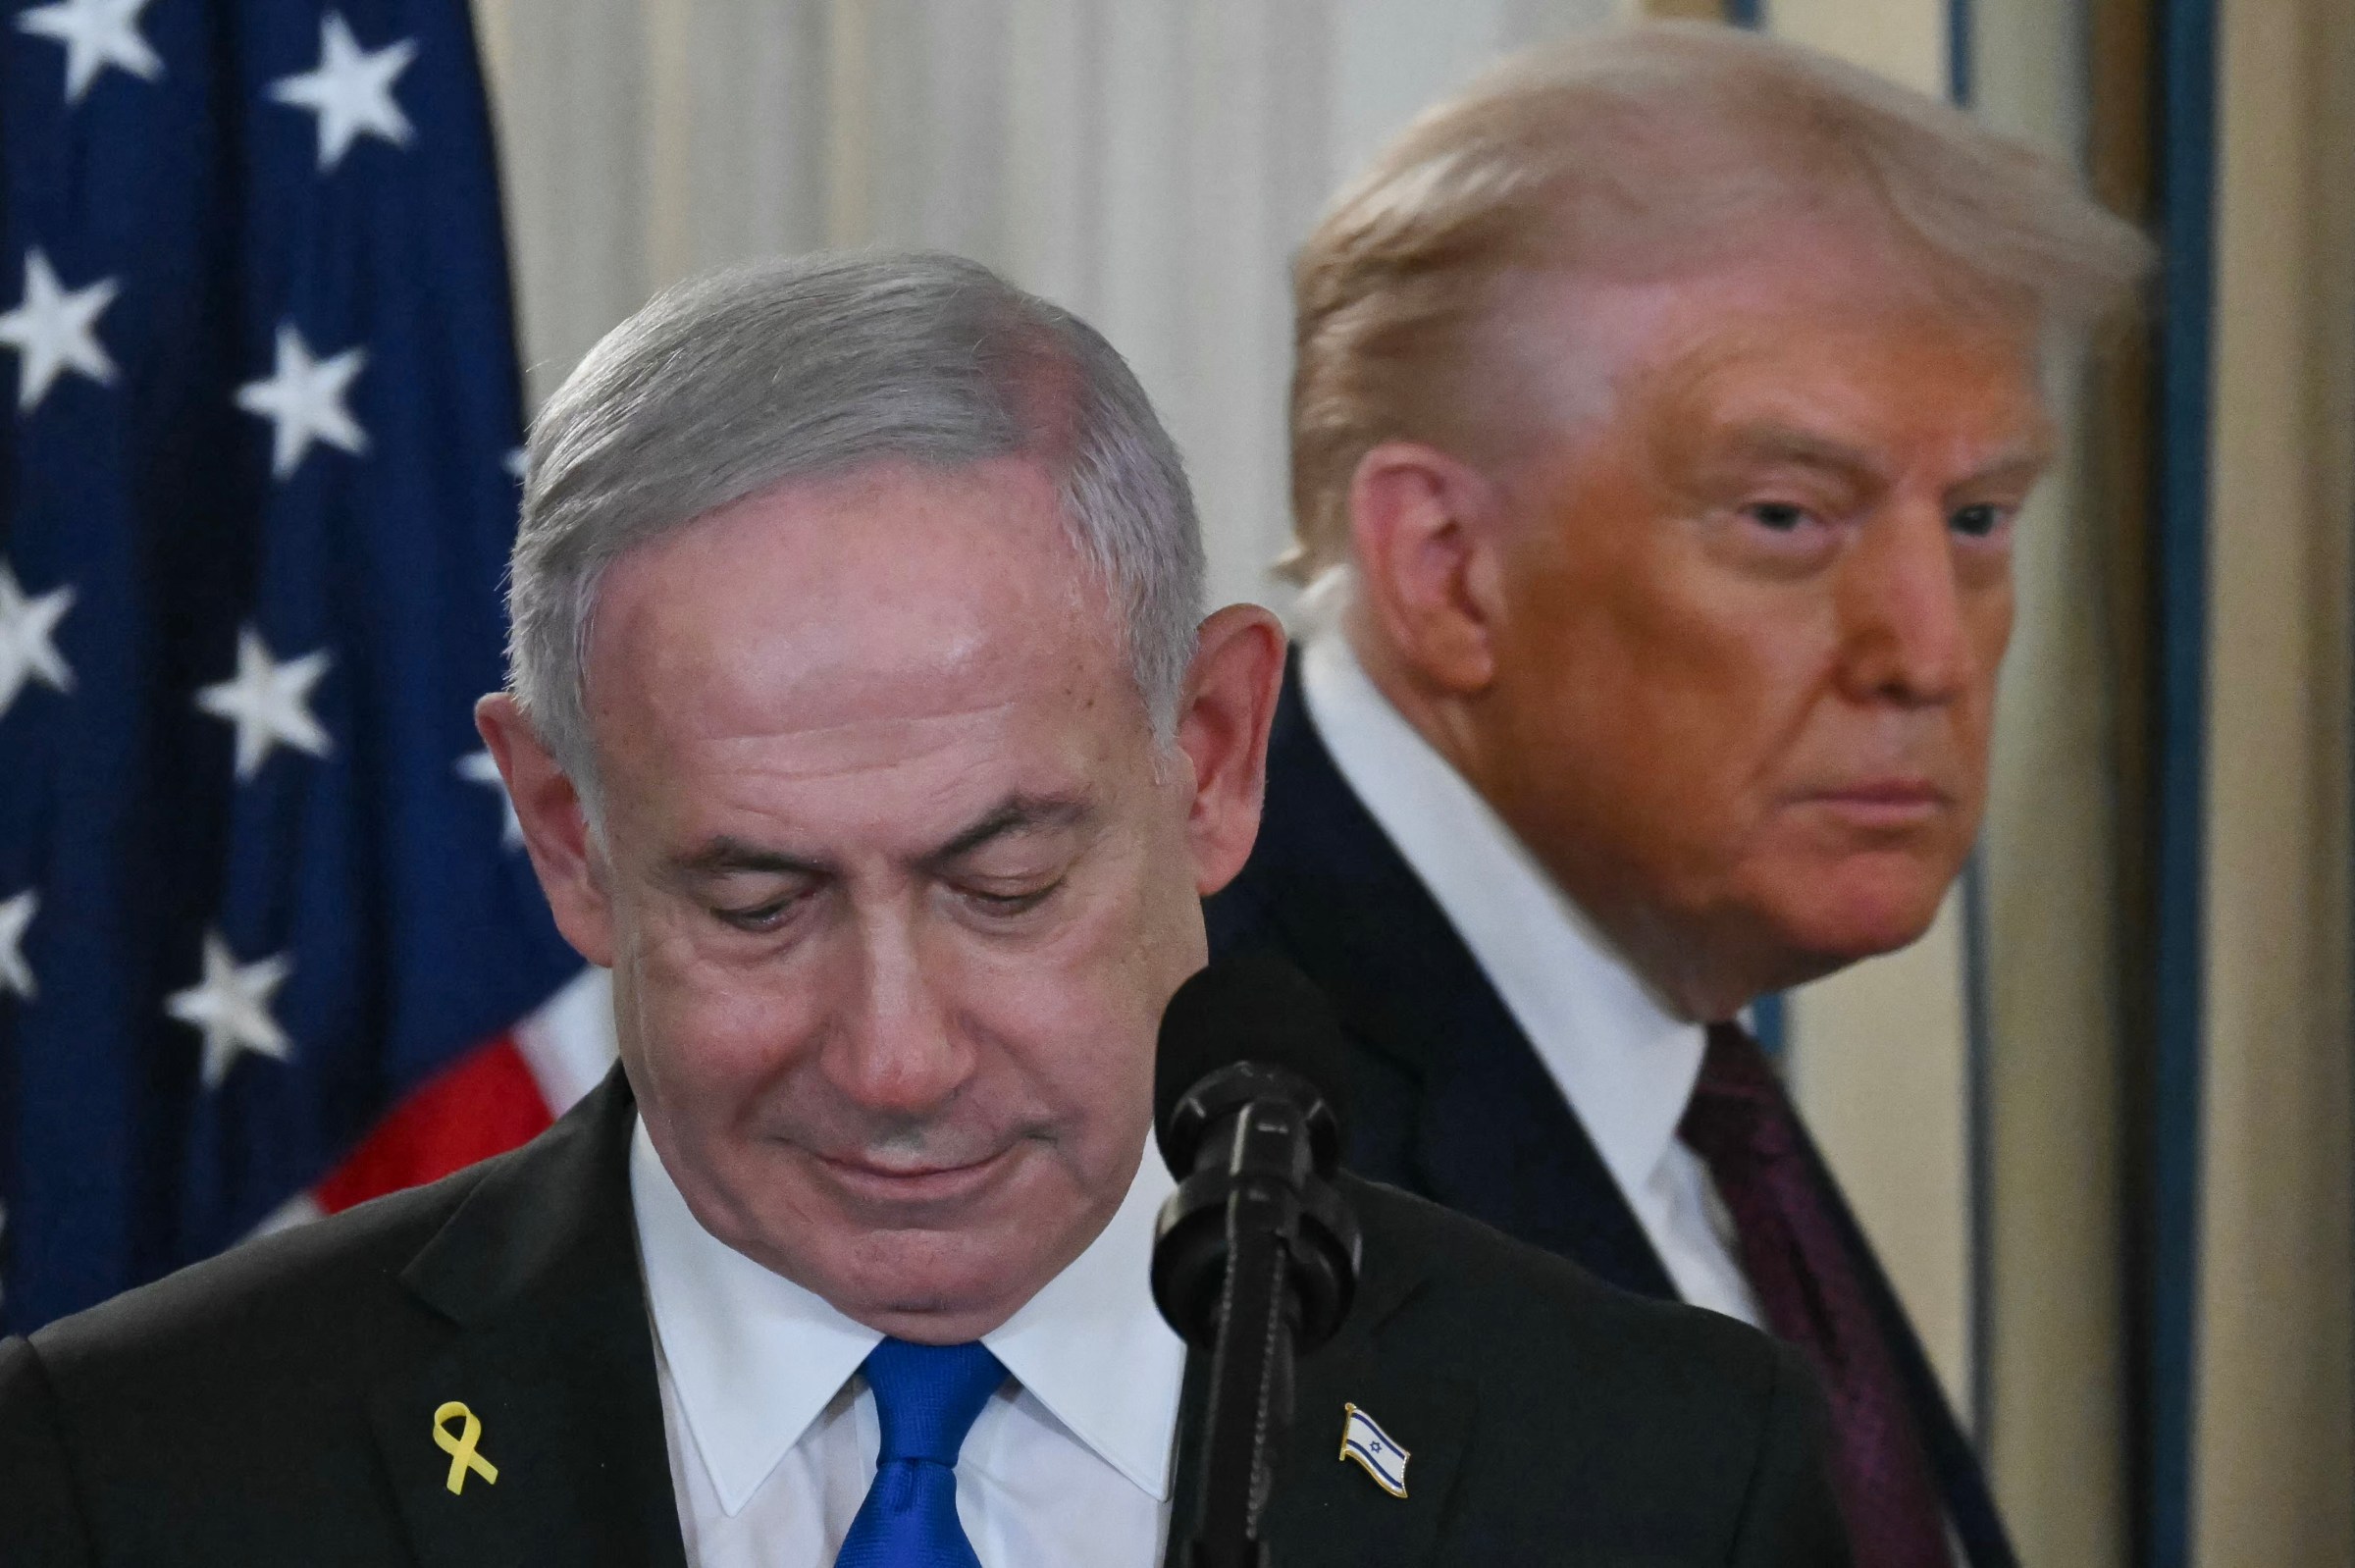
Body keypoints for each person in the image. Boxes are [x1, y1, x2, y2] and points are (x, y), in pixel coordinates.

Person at [0, 252, 1847, 1566]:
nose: (896, 1059)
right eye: (757, 899)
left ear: (1212, 758)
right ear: (567, 835)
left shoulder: (1662, 1478)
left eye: (1003, 882)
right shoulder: (132, 1476)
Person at [1205, 23, 2151, 1568]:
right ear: (1445, 568)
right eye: (1786, 515)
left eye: (1979, 518)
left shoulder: (1680, 1038)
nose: (1928, 651)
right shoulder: (1187, 1112)